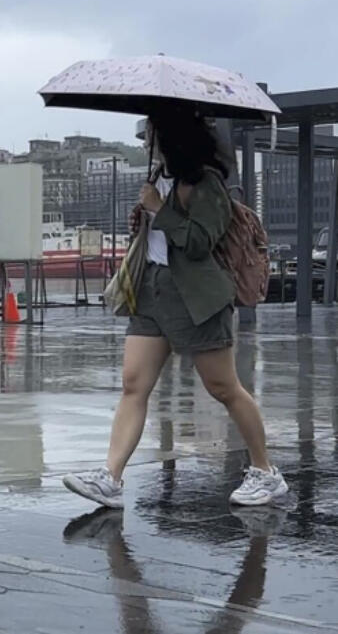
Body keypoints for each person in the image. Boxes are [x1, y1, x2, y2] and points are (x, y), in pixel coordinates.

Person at [63, 112, 287, 509]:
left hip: (197, 298)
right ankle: (110, 478)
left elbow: (200, 242)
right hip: (151, 292)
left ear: (173, 139)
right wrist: (146, 214)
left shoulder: (206, 183)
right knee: (134, 384)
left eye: (152, 133)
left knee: (223, 388)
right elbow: (158, 240)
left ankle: (265, 472)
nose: (146, 139)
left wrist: (161, 210)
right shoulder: (157, 180)